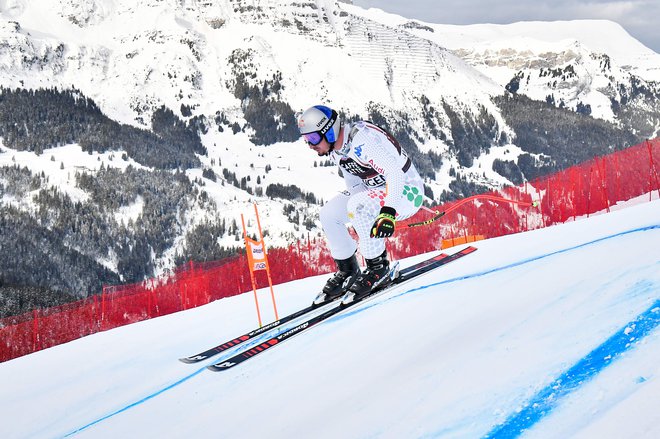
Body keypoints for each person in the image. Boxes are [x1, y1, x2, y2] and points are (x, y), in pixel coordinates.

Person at [297, 105, 425, 305]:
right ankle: (348, 271)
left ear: (329, 131)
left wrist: (387, 212)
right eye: (306, 140)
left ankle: (378, 269)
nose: (311, 145)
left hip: (406, 192)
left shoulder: (362, 140)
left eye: (313, 138)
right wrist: (358, 216)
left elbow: (395, 174)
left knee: (358, 205)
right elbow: (356, 184)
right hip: (378, 192)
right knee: (329, 214)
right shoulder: (336, 149)